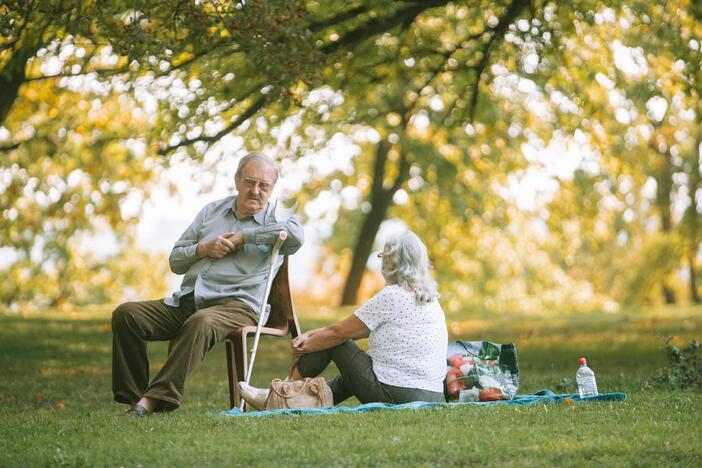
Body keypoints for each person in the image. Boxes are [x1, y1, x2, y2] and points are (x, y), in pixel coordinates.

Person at [112, 152, 304, 416]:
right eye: (249, 182)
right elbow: (175, 261)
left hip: (239, 305)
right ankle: (134, 398)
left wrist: (244, 237)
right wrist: (202, 249)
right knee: (127, 315)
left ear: (272, 188)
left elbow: (294, 236)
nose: (256, 191)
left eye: (264, 186)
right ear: (236, 181)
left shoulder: (277, 219)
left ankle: (152, 402)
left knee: (201, 321)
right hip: (191, 299)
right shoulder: (212, 212)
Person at [240, 230, 448, 409]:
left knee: (337, 344)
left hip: (397, 395)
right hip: (429, 396)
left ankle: (277, 395)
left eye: (384, 256)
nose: (382, 262)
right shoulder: (429, 298)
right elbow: (353, 329)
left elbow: (338, 334)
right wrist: (313, 335)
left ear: (393, 261)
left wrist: (308, 343)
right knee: (353, 370)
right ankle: (298, 400)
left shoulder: (393, 295)